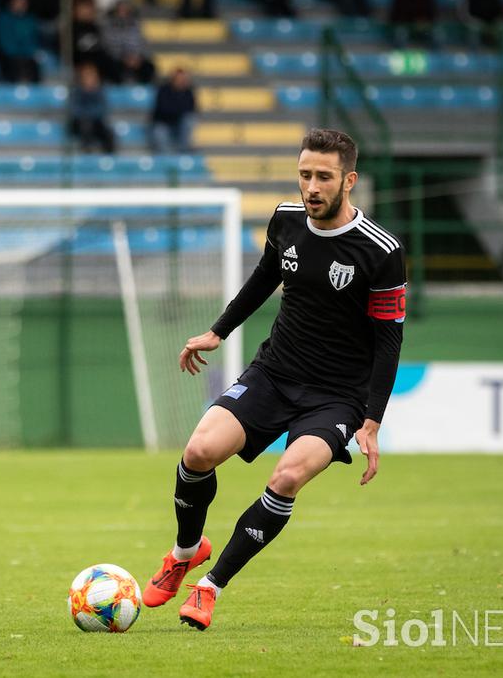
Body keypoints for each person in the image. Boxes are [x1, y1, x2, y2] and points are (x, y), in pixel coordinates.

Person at [142, 129, 406, 631]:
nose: (312, 186)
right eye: (305, 174)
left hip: (337, 398)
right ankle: (185, 551)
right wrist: (218, 331)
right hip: (275, 373)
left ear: (348, 180)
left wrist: (372, 420)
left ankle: (210, 587)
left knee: (285, 477)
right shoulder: (286, 221)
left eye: (324, 177)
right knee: (198, 452)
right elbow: (265, 276)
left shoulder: (381, 251)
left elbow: (390, 339)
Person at [103, 0, 155, 84]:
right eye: (120, 10)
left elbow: (143, 44)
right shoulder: (108, 26)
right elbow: (107, 46)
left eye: (125, 10)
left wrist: (138, 57)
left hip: (135, 58)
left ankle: (141, 92)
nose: (123, 13)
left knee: (149, 67)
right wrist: (124, 58)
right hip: (117, 59)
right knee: (111, 66)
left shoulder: (136, 25)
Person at [69, 62, 115, 154]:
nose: (89, 80)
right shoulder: (76, 92)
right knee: (86, 126)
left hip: (97, 123)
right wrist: (89, 113)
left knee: (109, 132)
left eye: (91, 76)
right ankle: (87, 155)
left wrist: (88, 113)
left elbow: (102, 109)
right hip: (80, 124)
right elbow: (75, 110)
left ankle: (109, 158)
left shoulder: (100, 92)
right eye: (86, 77)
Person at [148, 67, 196, 154]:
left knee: (189, 120)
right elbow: (163, 109)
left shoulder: (188, 92)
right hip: (164, 124)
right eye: (178, 78)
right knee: (159, 132)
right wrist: (178, 109)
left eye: (183, 78)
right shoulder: (163, 90)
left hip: (179, 125)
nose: (180, 81)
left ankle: (183, 153)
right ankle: (167, 159)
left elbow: (191, 109)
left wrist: (176, 109)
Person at [0, 0, 41, 83]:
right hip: (11, 57)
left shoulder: (31, 19)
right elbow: (6, 45)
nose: (22, 4)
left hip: (29, 57)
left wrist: (31, 53)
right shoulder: (3, 19)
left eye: (24, 1)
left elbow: (35, 41)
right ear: (12, 2)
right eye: (19, 0)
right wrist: (25, 52)